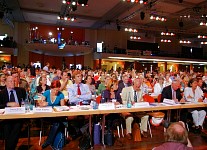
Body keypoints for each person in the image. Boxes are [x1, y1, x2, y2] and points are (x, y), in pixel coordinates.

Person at [0, 76, 26, 150]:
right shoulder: (2, 93)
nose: (13, 83)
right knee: (7, 127)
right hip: (6, 117)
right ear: (6, 83)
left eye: (14, 81)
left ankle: (8, 148)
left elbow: (25, 101)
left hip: (19, 116)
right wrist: (8, 104)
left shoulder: (21, 90)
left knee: (17, 126)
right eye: (10, 81)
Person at [39, 80, 66, 149]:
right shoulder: (47, 93)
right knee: (58, 123)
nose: (56, 92)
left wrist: (63, 105)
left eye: (57, 90)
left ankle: (49, 141)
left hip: (57, 115)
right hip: (48, 115)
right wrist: (43, 104)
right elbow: (40, 103)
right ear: (51, 88)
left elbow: (63, 106)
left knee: (57, 122)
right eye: (54, 90)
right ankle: (50, 141)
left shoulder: (60, 94)